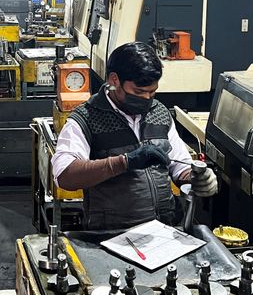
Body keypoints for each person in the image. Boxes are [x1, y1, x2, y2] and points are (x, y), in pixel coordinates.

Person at [51, 41, 218, 230]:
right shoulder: (86, 119)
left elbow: (179, 166)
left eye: (152, 92)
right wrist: (124, 162)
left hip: (165, 230)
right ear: (114, 80)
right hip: (111, 234)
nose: (147, 99)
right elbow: (64, 175)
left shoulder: (160, 113)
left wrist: (197, 179)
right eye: (138, 92)